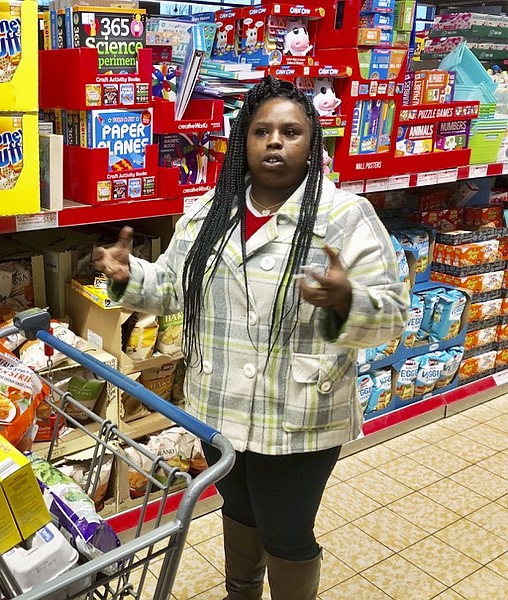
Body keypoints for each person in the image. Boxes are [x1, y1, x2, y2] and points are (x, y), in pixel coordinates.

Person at [94, 76, 409, 600]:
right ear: (243, 140)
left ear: (313, 143)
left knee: (285, 532)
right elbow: (173, 287)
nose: (275, 141)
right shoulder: (207, 213)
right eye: (261, 130)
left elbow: (394, 316)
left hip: (299, 413)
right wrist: (129, 278)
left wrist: (347, 299)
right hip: (219, 405)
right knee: (237, 512)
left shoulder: (344, 216)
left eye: (291, 131)